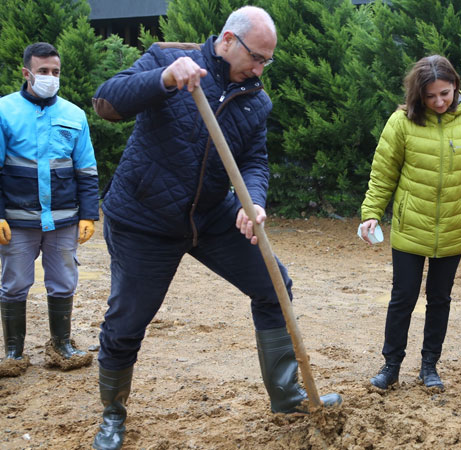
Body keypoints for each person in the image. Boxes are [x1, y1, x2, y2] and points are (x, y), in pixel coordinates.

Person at [90, 6, 340, 450]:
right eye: (257, 57)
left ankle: (286, 396)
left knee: (273, 284)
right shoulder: (166, 58)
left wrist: (254, 201)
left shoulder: (255, 99)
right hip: (145, 218)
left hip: (209, 214)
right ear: (227, 40)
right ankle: (112, 412)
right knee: (127, 321)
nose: (261, 68)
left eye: (268, 60)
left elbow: (254, 160)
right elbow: (107, 102)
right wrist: (165, 78)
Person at [359, 55, 461, 392]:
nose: (438, 102)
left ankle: (429, 366)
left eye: (445, 94)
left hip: (452, 226)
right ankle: (391, 366)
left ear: (456, 88)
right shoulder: (401, 122)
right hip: (410, 225)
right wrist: (371, 212)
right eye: (430, 96)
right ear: (417, 94)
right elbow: (383, 172)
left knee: (440, 299)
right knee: (402, 297)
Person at [0, 42, 97, 377]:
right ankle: (13, 351)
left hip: (63, 219)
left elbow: (86, 169)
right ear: (26, 73)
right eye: (43, 72)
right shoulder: (4, 111)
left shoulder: (74, 115)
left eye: (55, 72)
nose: (50, 77)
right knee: (14, 283)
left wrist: (88, 214)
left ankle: (61, 344)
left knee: (63, 281)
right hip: (17, 220)